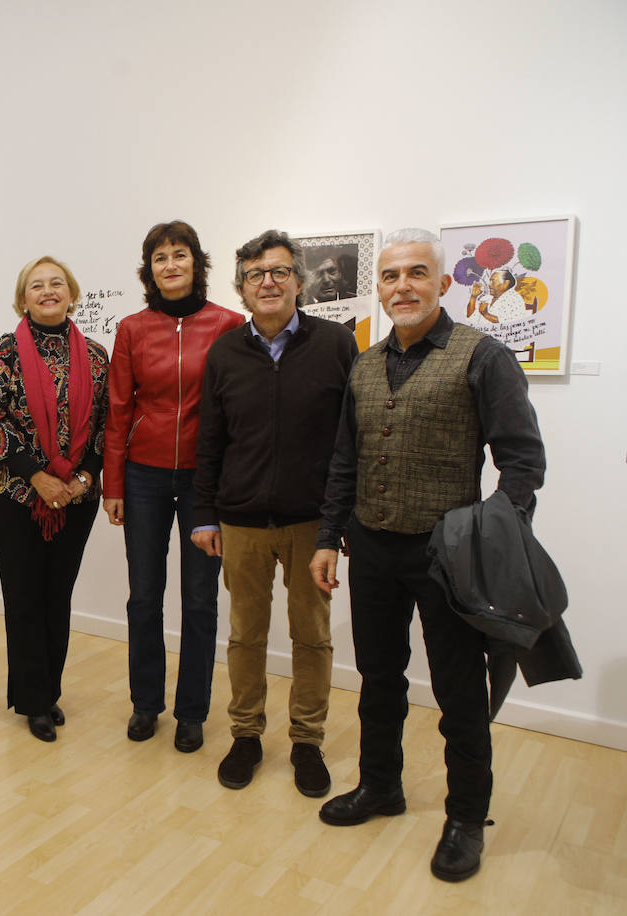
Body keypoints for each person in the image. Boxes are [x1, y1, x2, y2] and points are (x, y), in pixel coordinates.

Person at [309, 228, 546, 882]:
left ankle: (466, 818)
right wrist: (329, 537)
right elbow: (343, 462)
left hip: (449, 556)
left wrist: (493, 535)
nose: (402, 286)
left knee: (459, 692)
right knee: (378, 681)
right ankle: (380, 785)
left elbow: (522, 461)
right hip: (374, 547)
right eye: (390, 276)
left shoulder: (483, 356)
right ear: (379, 288)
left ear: (443, 284)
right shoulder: (363, 363)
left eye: (417, 273)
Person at [191, 230, 357, 796]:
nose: (268, 281)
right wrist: (204, 514)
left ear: (299, 283)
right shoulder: (225, 353)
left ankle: (307, 741)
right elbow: (210, 441)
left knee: (312, 637)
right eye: (257, 274)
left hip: (312, 523)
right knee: (245, 636)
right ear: (241, 288)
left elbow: (348, 442)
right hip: (239, 522)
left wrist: (337, 526)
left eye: (280, 272)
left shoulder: (337, 344)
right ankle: (246, 735)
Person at [102, 220, 245, 751]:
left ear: (196, 262)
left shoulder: (230, 325)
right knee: (144, 595)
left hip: (206, 479)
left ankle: (192, 712)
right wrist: (112, 484)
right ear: (149, 270)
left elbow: (238, 410)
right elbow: (118, 412)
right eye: (159, 258)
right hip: (143, 475)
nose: (170, 265)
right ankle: (146, 704)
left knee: (201, 598)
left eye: (179, 255)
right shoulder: (132, 329)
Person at [0, 256, 109, 742]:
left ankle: (49, 691)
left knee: (59, 594)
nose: (48, 291)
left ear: (71, 293)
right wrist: (37, 477)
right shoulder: (5, 350)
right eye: (37, 285)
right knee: (25, 595)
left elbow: (104, 429)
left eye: (57, 284)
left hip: (75, 497)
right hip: (15, 495)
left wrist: (86, 477)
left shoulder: (94, 355)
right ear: (23, 298)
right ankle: (32, 700)